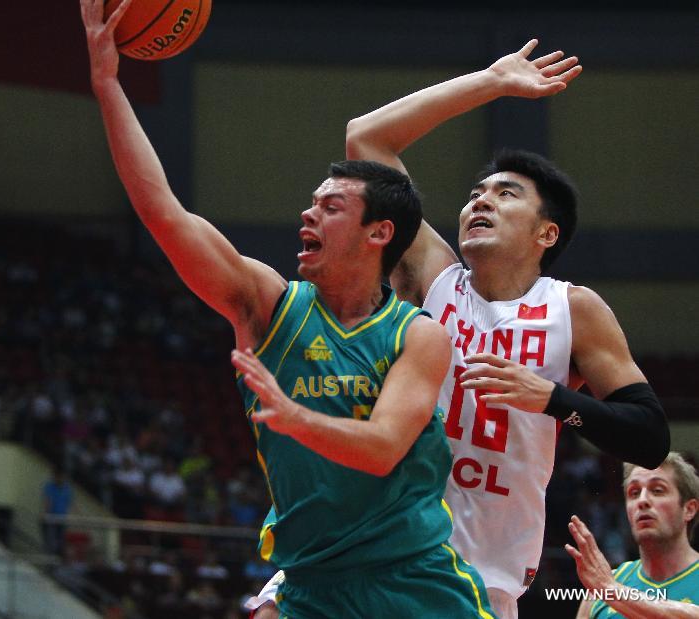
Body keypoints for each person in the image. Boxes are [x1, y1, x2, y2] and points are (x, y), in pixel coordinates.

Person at [80, 1, 494, 616]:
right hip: (310, 586)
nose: (308, 213)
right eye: (311, 203)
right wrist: (108, 84)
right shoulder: (266, 305)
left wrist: (291, 415)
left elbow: (382, 447)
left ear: (380, 233)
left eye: (330, 206)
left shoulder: (419, 335)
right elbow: (162, 212)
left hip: (413, 581)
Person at [251, 39, 669, 619]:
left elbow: (648, 437)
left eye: (506, 194)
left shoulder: (573, 309)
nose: (481, 202)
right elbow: (367, 139)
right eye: (475, 194)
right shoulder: (436, 277)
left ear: (546, 234)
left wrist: (552, 398)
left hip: (481, 575)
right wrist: (492, 81)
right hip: (374, 546)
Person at [568, 452, 699, 618]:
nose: (642, 500)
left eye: (658, 490)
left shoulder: (604, 584)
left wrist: (611, 589)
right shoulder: (604, 584)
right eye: (634, 493)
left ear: (689, 509)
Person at [42, 466, 73, 555]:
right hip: (52, 519)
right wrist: (47, 516)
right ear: (55, 476)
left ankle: (58, 557)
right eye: (58, 476)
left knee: (61, 543)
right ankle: (50, 558)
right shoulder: (49, 487)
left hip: (62, 520)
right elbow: (47, 502)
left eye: (62, 477)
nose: (60, 479)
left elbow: (70, 504)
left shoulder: (67, 488)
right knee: (51, 543)